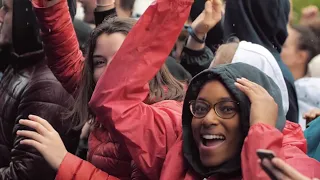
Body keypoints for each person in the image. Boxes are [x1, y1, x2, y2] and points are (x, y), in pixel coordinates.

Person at [28, 0, 192, 179]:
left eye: (121, 58)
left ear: (147, 61)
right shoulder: (104, 102)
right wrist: (51, 6)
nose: (109, 70)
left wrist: (65, 161)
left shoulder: (166, 118)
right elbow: (66, 62)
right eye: (100, 62)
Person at [0, 0, 80, 179]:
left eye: (6, 9)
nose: (0, 16)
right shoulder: (20, 64)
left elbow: (25, 174)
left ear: (28, 19)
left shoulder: (48, 85)